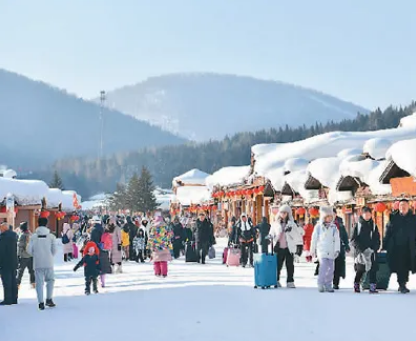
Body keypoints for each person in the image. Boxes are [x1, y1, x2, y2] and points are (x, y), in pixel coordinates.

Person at [383, 199, 416, 294]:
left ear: (408, 206)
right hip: (396, 247)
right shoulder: (393, 218)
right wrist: (384, 245)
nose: (403, 207)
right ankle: (402, 284)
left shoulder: (413, 219)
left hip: (410, 247)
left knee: (407, 265)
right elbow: (388, 233)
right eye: (401, 205)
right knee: (400, 266)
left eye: (405, 205)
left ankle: (403, 282)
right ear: (399, 207)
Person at [269, 205, 304, 288]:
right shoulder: (275, 223)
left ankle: (290, 281)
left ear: (288, 214)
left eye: (285, 213)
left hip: (289, 247)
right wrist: (270, 238)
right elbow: (271, 233)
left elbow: (297, 236)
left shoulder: (292, 224)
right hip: (279, 247)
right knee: (278, 265)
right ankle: (276, 280)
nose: (283, 214)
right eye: (281, 212)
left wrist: (299, 246)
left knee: (290, 265)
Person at [28, 217, 57, 310]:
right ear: (46, 224)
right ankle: (49, 299)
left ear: (38, 224)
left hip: (37, 262)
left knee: (39, 283)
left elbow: (29, 250)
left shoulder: (33, 236)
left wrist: (36, 254)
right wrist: (49, 255)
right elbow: (54, 250)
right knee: (50, 281)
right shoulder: (51, 236)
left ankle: (41, 302)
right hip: (48, 262)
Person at [350, 206, 381, 294]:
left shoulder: (374, 226)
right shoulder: (358, 225)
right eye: (365, 214)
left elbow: (377, 238)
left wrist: (375, 248)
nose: (367, 216)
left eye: (369, 214)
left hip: (371, 251)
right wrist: (361, 249)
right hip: (361, 252)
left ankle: (372, 287)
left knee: (373, 269)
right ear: (362, 214)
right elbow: (353, 240)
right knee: (360, 269)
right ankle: (356, 285)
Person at [310, 206, 340, 293]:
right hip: (322, 250)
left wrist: (337, 250)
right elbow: (314, 239)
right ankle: (320, 283)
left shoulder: (334, 228)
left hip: (331, 250)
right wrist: (313, 250)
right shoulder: (318, 227)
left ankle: (328, 284)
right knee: (323, 267)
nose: (330, 218)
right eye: (328, 216)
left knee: (331, 268)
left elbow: (337, 240)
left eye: (331, 217)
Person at [0, 222, 18, 305]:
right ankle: (14, 298)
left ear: (4, 229)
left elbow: (1, 251)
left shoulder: (3, 238)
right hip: (14, 261)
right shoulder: (14, 236)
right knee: (13, 280)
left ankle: (8, 299)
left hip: (5, 262)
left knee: (7, 281)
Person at [332, 208, 350, 289]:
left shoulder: (340, 224)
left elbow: (344, 236)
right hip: (328, 248)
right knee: (329, 266)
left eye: (333, 214)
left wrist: (347, 245)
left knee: (338, 265)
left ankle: (336, 283)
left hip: (339, 247)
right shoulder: (325, 223)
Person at [16, 222, 36, 289]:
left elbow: (20, 246)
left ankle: (17, 284)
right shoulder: (31, 235)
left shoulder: (22, 235)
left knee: (20, 271)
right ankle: (33, 283)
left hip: (23, 257)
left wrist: (18, 256)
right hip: (31, 256)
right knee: (32, 271)